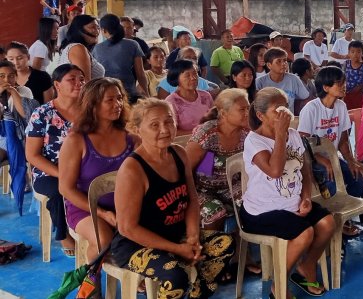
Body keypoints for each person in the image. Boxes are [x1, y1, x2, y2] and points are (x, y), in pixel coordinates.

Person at [113, 98, 235, 298]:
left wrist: (193, 236)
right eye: (154, 125)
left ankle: (196, 295)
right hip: (136, 246)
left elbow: (192, 199)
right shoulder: (133, 169)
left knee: (224, 244)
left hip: (176, 235)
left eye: (169, 121)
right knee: (175, 275)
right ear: (136, 129)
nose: (165, 129)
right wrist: (177, 249)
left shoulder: (178, 153)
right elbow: (127, 228)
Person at [240, 87, 335, 297]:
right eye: (277, 110)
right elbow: (275, 171)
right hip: (261, 211)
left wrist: (306, 197)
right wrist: (281, 134)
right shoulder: (254, 141)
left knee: (327, 223)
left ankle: (306, 266)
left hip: (292, 203)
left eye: (285, 107)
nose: (284, 114)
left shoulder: (293, 135)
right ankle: (279, 283)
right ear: (260, 115)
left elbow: (304, 169)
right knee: (305, 233)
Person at [58, 78, 138, 262]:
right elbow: (66, 189)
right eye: (109, 100)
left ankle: (137, 273)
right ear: (93, 105)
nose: (117, 104)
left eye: (119, 98)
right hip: (85, 208)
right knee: (103, 240)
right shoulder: (77, 140)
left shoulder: (131, 137)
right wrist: (103, 213)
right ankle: (90, 283)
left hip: (125, 205)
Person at [298, 67, 363, 231]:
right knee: (331, 181)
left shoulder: (341, 106)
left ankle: (344, 218)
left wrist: (351, 160)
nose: (344, 86)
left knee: (359, 176)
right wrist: (322, 160)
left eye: (344, 82)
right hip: (311, 161)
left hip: (333, 158)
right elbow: (302, 142)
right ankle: (331, 223)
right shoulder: (311, 108)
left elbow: (343, 139)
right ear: (326, 87)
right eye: (339, 83)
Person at [25, 64, 82, 257]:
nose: (78, 83)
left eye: (81, 79)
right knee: (60, 191)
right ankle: (64, 234)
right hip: (49, 171)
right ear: (57, 85)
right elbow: (32, 155)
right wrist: (62, 174)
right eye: (72, 79)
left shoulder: (89, 111)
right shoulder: (42, 114)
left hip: (83, 167)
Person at [185, 88, 250, 230]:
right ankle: (213, 248)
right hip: (201, 189)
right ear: (224, 113)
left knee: (253, 201)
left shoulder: (247, 133)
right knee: (215, 212)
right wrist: (191, 197)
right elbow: (185, 169)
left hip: (231, 185)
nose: (247, 113)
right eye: (242, 109)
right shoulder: (207, 133)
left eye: (248, 108)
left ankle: (249, 247)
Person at [92, 14, 148, 100]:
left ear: (103, 30)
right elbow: (140, 73)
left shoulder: (97, 48)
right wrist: (146, 94)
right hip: (128, 93)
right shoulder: (133, 44)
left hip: (105, 94)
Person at [165, 60, 215, 135]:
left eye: (195, 73)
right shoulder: (171, 102)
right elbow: (172, 131)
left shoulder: (206, 96)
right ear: (176, 79)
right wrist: (199, 134)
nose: (193, 78)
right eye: (187, 75)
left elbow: (215, 120)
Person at [57, 14, 105, 81]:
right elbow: (85, 84)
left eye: (98, 27)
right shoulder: (78, 48)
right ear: (79, 30)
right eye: (92, 27)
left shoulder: (77, 47)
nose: (97, 31)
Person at [343, 40, 363, 110]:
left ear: (362, 53)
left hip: (360, 95)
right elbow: (342, 78)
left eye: (358, 52)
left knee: (359, 112)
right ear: (348, 53)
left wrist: (362, 86)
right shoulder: (346, 64)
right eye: (352, 52)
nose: (355, 54)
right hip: (347, 94)